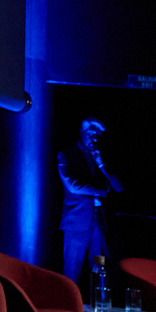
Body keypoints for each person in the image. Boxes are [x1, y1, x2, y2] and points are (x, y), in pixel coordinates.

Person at [58, 117, 122, 288]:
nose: (94, 139)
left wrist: (101, 164)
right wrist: (100, 190)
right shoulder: (67, 155)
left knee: (99, 267)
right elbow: (72, 186)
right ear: (82, 133)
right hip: (77, 223)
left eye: (97, 136)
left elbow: (118, 187)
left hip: (98, 226)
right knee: (72, 269)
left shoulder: (100, 158)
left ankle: (99, 306)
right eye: (90, 134)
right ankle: (67, 307)